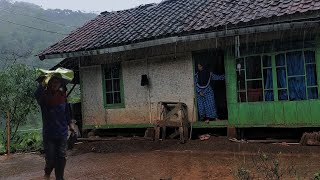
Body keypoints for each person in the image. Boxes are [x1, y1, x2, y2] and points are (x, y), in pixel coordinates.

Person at [35, 76, 74, 180]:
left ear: (60, 84)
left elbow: (66, 112)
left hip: (62, 132)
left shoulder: (62, 96)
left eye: (57, 82)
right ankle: (47, 173)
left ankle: (59, 178)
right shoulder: (44, 97)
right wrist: (42, 84)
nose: (55, 84)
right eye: (52, 82)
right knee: (51, 159)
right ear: (49, 84)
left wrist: (70, 124)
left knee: (61, 156)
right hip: (49, 133)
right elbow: (36, 94)